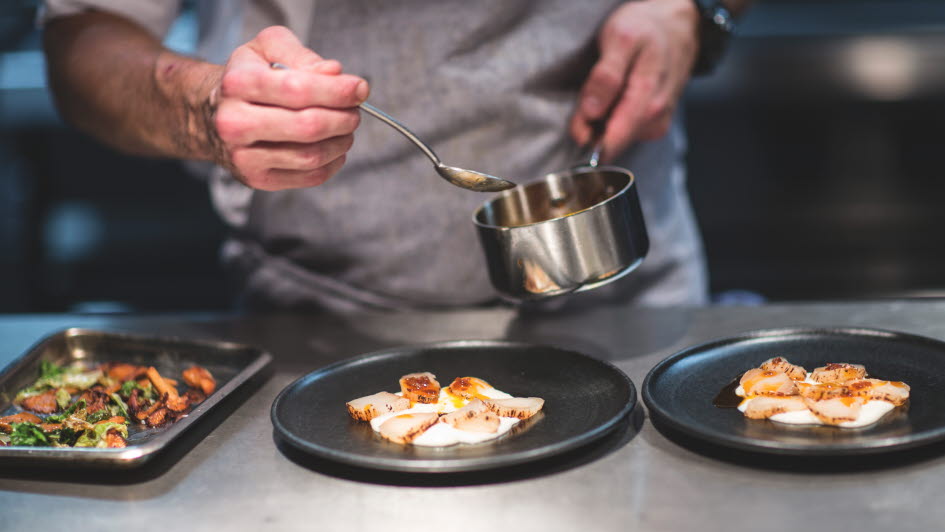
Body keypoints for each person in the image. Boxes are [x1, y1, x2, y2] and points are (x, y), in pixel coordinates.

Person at [42, 0, 747, 312]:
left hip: (632, 303)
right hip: (329, 332)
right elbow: (83, 39)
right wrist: (201, 107)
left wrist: (692, 6)